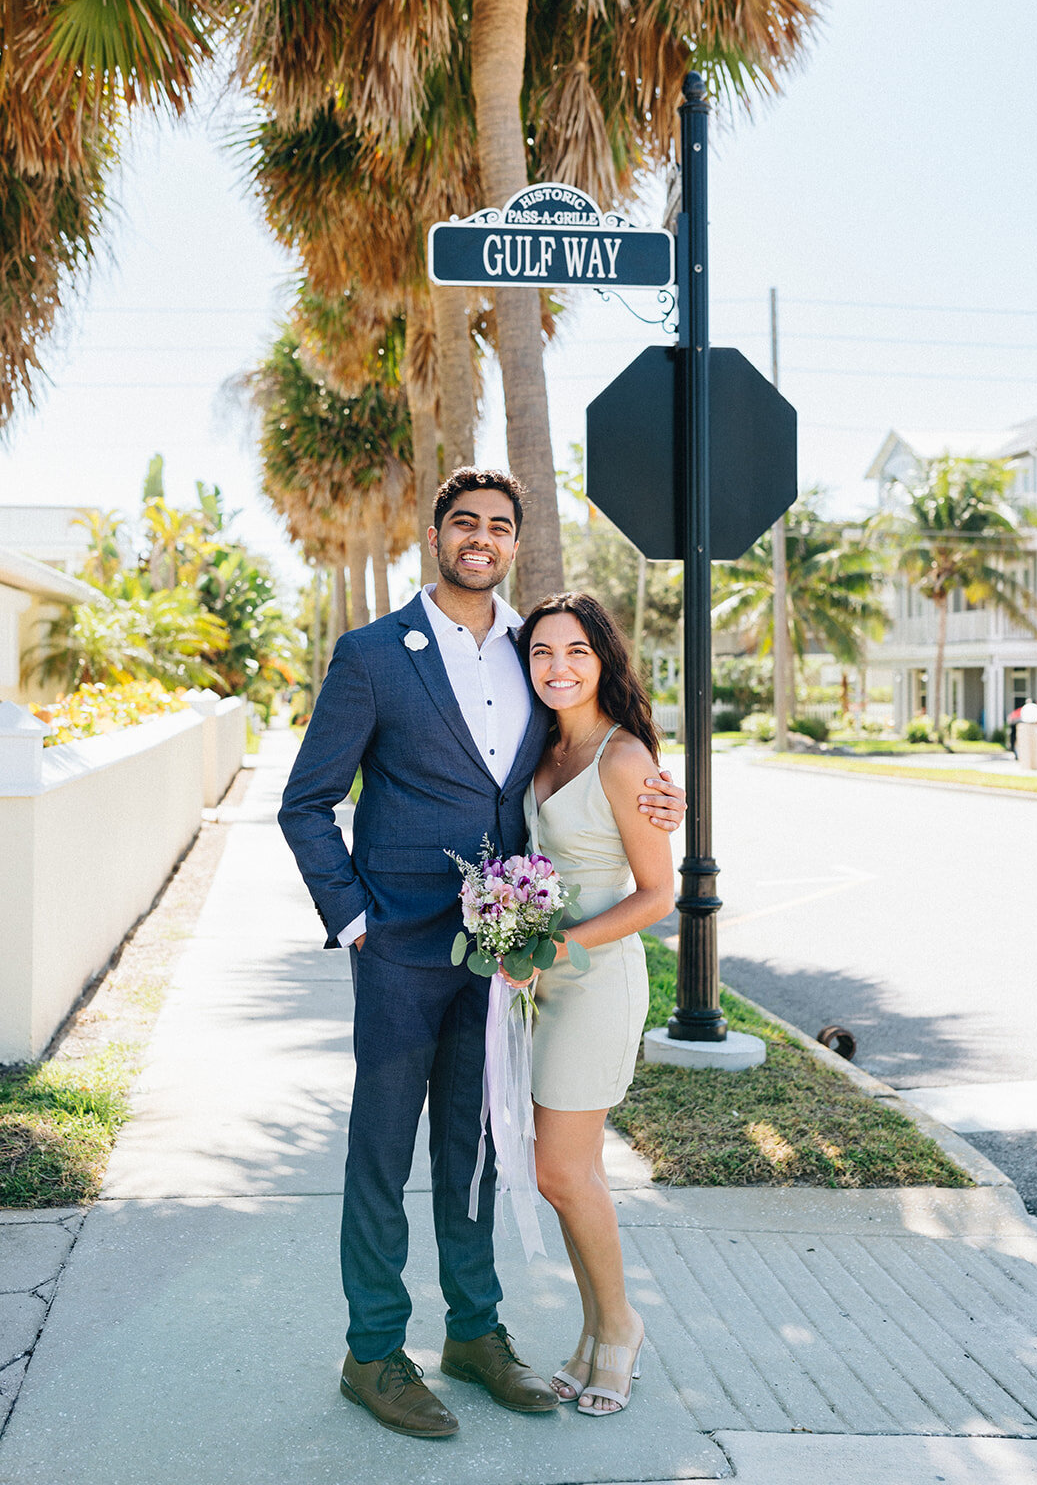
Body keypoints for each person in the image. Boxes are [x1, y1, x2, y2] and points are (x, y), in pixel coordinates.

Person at [278, 468, 684, 1441]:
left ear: (514, 544)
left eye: (499, 527)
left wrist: (663, 800)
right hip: (396, 952)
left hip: (500, 959)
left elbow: (583, 765)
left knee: (474, 1151)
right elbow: (304, 802)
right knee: (381, 1152)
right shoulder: (373, 654)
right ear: (436, 534)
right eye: (465, 522)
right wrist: (356, 922)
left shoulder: (528, 653)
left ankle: (475, 1331)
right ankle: (373, 1350)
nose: (481, 538)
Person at [512, 592, 675, 1417]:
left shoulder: (622, 759)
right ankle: (592, 1332)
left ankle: (620, 1328)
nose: (558, 668)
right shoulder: (535, 746)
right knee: (566, 1175)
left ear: (603, 658)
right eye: (541, 652)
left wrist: (555, 949)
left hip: (594, 982)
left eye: (575, 651)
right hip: (534, 985)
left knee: (561, 1170)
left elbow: (657, 894)